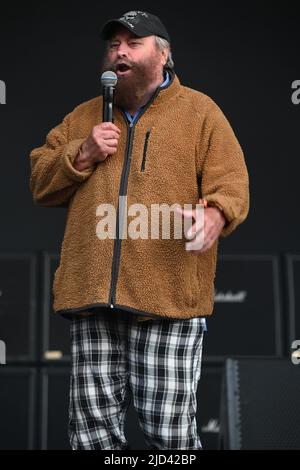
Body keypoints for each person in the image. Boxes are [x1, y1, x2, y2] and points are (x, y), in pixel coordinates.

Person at [29, 10, 249, 450]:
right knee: (91, 439)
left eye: (133, 42)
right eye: (113, 44)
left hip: (167, 301)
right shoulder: (83, 117)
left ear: (164, 55)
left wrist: (216, 215)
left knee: (171, 440)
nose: (120, 51)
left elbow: (232, 184)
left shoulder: (200, 112)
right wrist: (82, 153)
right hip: (93, 301)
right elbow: (40, 181)